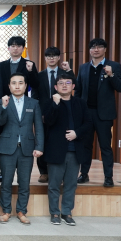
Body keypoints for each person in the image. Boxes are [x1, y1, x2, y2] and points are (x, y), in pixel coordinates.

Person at [75, 38, 121, 187]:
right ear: (89, 50)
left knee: (105, 146)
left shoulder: (114, 66)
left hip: (104, 115)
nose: (95, 50)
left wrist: (111, 75)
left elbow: (120, 87)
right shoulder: (83, 67)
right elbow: (78, 90)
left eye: (99, 47)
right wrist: (77, 110)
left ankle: (108, 177)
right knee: (86, 146)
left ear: (105, 49)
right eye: (93, 47)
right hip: (86, 113)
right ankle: (84, 174)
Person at [43, 74, 92, 226]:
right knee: (54, 184)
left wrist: (76, 133)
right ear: (55, 87)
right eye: (61, 83)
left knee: (71, 184)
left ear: (73, 86)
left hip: (75, 150)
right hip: (56, 150)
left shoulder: (80, 103)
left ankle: (66, 212)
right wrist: (55, 104)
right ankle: (54, 213)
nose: (64, 85)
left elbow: (88, 123)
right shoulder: (50, 102)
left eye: (68, 83)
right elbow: (48, 122)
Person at [0, 72, 44, 225]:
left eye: (20, 83)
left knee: (24, 182)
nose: (17, 86)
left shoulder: (33, 103)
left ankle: (22, 211)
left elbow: (39, 127)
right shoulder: (3, 102)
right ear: (9, 86)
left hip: (27, 148)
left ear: (25, 85)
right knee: (6, 182)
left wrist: (39, 146)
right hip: (7, 148)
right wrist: (4, 107)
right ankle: (6, 211)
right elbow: (0, 122)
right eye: (14, 83)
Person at [36, 47, 74, 183]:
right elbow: (35, 94)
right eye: (48, 56)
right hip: (43, 113)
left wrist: (69, 71)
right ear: (45, 58)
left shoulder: (65, 73)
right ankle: (43, 172)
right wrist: (39, 113)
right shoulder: (39, 75)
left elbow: (75, 85)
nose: (51, 58)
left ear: (58, 58)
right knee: (42, 140)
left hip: (62, 112)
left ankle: (61, 171)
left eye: (54, 56)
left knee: (60, 140)